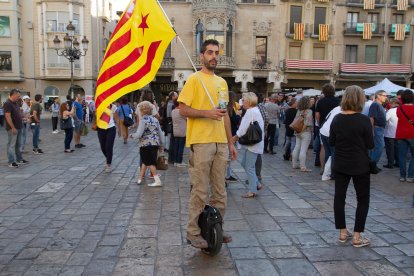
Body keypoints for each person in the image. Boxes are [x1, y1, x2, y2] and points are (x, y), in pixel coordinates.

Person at [178, 39, 237, 249]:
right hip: (201, 141)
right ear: (202, 55)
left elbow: (225, 115)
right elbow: (182, 109)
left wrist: (230, 142)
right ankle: (193, 232)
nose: (214, 56)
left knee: (220, 191)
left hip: (220, 141)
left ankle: (216, 227)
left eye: (216, 52)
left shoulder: (222, 82)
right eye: (210, 52)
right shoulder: (194, 79)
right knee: (200, 190)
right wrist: (206, 113)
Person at [330, 85, 374, 247]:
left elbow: (332, 142)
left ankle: (342, 232)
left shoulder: (337, 118)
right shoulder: (363, 120)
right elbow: (370, 145)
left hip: (340, 163)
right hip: (360, 164)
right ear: (361, 99)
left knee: (339, 197)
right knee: (363, 199)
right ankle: (357, 236)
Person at [232, 92, 264, 198]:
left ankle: (252, 190)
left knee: (249, 167)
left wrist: (234, 138)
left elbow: (243, 128)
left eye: (244, 100)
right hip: (255, 143)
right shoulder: (255, 110)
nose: (242, 102)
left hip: (253, 144)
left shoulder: (250, 112)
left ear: (249, 102)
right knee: (244, 163)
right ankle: (256, 183)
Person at [132, 101, 164, 186]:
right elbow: (160, 133)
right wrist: (161, 144)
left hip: (145, 144)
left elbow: (139, 134)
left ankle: (157, 181)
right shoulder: (155, 120)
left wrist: (132, 136)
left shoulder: (143, 120)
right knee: (145, 161)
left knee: (150, 162)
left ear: (142, 111)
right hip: (155, 143)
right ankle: (139, 179)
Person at [316, 84, 340, 170]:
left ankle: (323, 168)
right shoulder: (338, 101)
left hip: (323, 126)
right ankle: (332, 170)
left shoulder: (320, 101)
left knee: (323, 148)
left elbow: (317, 115)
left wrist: (319, 125)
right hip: (335, 126)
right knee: (334, 150)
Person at [4, 89, 28, 167]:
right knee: (11, 145)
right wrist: (13, 127)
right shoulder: (7, 103)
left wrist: (23, 118)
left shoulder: (16, 103)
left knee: (18, 144)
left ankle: (19, 159)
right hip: (13, 128)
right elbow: (7, 116)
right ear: (13, 95)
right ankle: (11, 162)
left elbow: (17, 114)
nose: (18, 97)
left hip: (19, 126)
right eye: (18, 96)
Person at [396, 89, 414, 182]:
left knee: (402, 156)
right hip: (412, 134)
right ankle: (410, 176)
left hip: (400, 134)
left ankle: (402, 176)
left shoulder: (399, 108)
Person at [291, 96, 313, 172]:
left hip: (297, 131)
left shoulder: (299, 110)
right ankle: (303, 167)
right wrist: (301, 131)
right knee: (303, 150)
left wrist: (298, 131)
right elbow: (307, 123)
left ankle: (294, 164)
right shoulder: (309, 111)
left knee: (297, 147)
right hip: (305, 132)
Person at [368, 90, 388, 171]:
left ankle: (373, 165)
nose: (386, 97)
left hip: (379, 128)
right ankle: (371, 165)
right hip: (377, 128)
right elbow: (371, 117)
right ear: (378, 96)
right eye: (384, 95)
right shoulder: (375, 104)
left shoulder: (379, 105)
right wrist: (372, 130)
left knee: (377, 147)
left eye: (386, 96)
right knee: (380, 146)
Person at [97, 104, 119, 172]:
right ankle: (108, 158)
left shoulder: (113, 106)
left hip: (111, 128)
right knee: (103, 147)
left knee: (108, 146)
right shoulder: (99, 105)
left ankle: (108, 164)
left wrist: (119, 129)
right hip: (100, 128)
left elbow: (116, 118)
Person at [383, 98, 400, 169]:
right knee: (397, 149)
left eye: (390, 103)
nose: (389, 104)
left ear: (393, 103)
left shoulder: (391, 110)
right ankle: (398, 163)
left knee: (390, 150)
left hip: (390, 133)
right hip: (398, 133)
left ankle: (390, 164)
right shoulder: (401, 109)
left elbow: (385, 119)